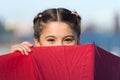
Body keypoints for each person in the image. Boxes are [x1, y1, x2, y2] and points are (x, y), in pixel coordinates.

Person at [10, 8, 81, 55]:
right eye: (51, 40)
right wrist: (14, 62)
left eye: (68, 40)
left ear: (78, 40)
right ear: (37, 42)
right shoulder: (28, 68)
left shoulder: (89, 68)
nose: (59, 46)